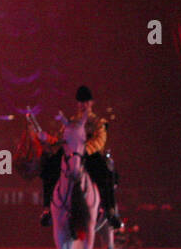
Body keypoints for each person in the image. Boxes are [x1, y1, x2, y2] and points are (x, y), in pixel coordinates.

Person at [38, 86, 122, 229]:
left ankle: (110, 210)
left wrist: (83, 150)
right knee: (49, 167)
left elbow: (99, 140)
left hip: (89, 155)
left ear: (91, 103)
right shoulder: (70, 122)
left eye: (85, 102)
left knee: (106, 173)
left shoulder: (98, 123)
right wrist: (46, 138)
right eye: (80, 102)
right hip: (71, 154)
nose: (83, 105)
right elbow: (60, 139)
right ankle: (47, 209)